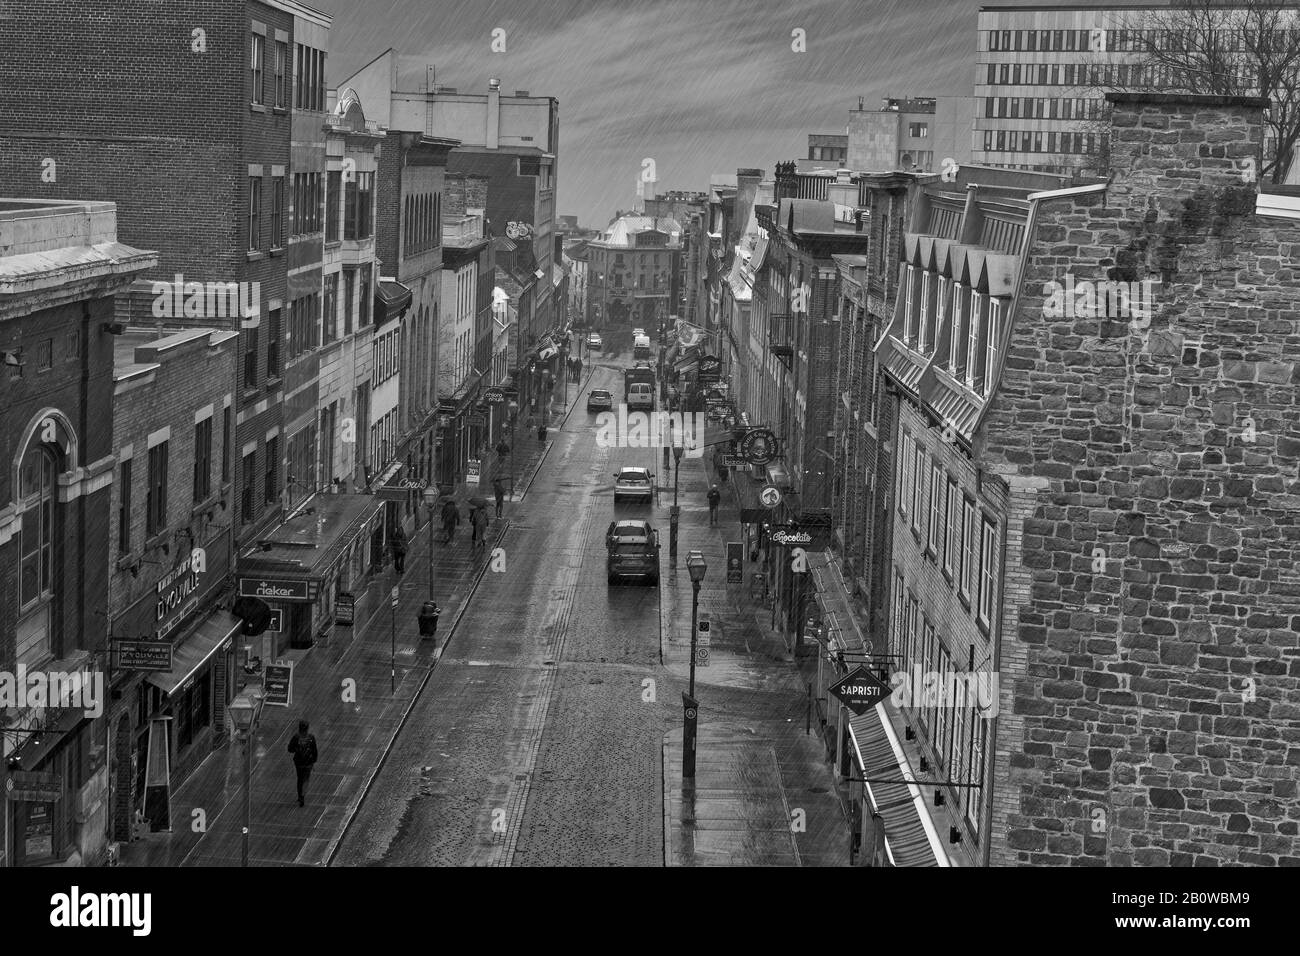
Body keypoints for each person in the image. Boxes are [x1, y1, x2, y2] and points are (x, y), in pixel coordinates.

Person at [287, 720, 318, 808]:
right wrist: (314, 760)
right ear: (307, 728)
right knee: (306, 779)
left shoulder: (296, 737)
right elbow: (314, 750)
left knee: (300, 778)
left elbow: (290, 749)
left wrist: (297, 750)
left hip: (299, 762)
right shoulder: (311, 737)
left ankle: (300, 796)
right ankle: (303, 794)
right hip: (308, 762)